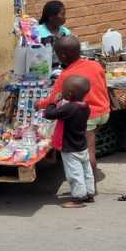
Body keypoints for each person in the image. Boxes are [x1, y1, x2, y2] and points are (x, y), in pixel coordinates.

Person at [37, 36, 110, 171]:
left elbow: (54, 99)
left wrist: (39, 104)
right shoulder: (96, 65)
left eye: (57, 55)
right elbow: (103, 87)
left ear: (63, 56)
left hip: (89, 116)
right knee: (87, 143)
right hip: (104, 112)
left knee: (89, 152)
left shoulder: (66, 75)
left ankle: (90, 180)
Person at [43, 75, 94, 208]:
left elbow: (49, 114)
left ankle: (78, 198)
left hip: (70, 147)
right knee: (86, 170)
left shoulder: (69, 108)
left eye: (64, 90)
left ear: (70, 94)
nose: (62, 92)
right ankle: (89, 193)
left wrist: (53, 102)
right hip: (81, 145)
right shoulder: (85, 106)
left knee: (74, 173)